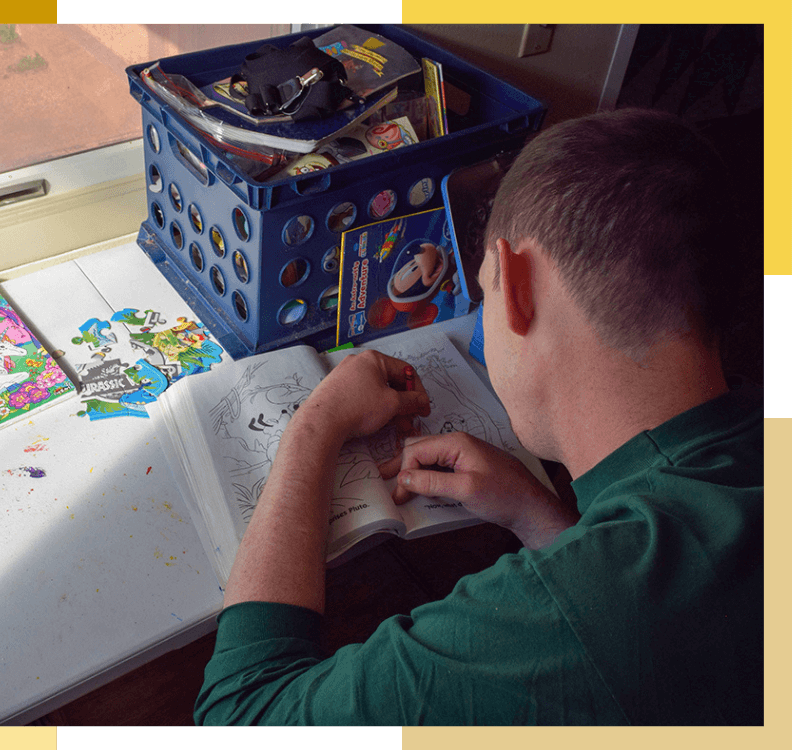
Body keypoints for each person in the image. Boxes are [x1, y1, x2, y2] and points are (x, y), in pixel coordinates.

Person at [193, 108, 763, 726]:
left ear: (517, 285)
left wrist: (313, 425)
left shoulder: (574, 611)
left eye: (486, 290)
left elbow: (240, 713)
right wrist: (543, 519)